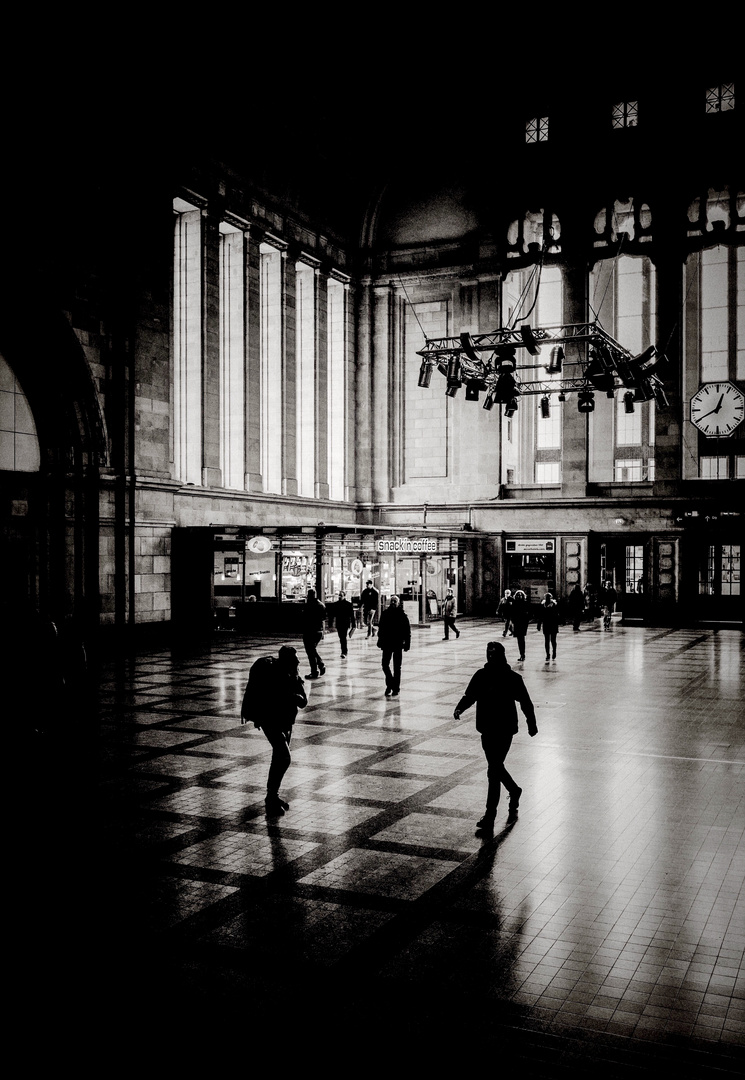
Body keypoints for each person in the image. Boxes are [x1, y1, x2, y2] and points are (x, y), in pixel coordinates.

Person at [453, 640, 537, 831]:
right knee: (496, 767)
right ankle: (514, 791)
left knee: (493, 770)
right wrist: (460, 707)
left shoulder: (512, 678)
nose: (491, 657)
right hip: (487, 729)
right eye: (488, 653)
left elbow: (525, 701)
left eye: (494, 653)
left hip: (505, 730)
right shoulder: (481, 676)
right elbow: (470, 696)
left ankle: (490, 816)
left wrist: (531, 723)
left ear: (501, 655)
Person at [241, 645, 307, 817]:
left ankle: (272, 797)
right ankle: (271, 799)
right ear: (285, 659)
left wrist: (295, 696)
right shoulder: (271, 673)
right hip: (269, 720)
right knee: (284, 757)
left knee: (278, 757)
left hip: (286, 721)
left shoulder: (293, 673)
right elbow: (268, 699)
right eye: (294, 658)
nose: (298, 660)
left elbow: (303, 700)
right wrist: (290, 697)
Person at [376, 594, 411, 696]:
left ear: (398, 603)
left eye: (395, 601)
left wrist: (407, 644)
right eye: (392, 601)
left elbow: (407, 631)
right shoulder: (385, 614)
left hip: (397, 644)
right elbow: (381, 628)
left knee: (397, 667)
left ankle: (394, 687)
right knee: (385, 664)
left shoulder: (402, 615)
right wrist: (380, 640)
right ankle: (391, 684)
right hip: (387, 643)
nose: (393, 603)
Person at [302, 588, 327, 678]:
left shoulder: (308, 605)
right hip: (318, 631)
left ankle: (315, 670)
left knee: (310, 652)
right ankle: (320, 665)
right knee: (312, 650)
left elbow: (304, 618)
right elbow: (324, 619)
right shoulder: (321, 605)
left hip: (310, 631)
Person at [536, 591, 560, 661]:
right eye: (547, 598)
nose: (548, 599)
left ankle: (554, 652)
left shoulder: (554, 605)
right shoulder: (543, 606)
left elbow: (558, 614)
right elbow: (540, 616)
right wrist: (539, 624)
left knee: (553, 640)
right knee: (547, 641)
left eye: (549, 598)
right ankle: (548, 654)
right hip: (546, 624)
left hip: (553, 624)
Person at [334, 590, 355, 659]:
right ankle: (344, 651)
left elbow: (352, 615)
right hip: (339, 623)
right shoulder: (336, 604)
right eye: (339, 595)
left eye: (341, 595)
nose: (339, 597)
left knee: (343, 637)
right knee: (341, 637)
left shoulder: (348, 604)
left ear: (344, 596)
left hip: (345, 623)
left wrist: (353, 625)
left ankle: (344, 651)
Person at [510, 589, 530, 661]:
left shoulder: (525, 603)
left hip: (523, 623)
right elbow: (512, 613)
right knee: (519, 639)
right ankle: (521, 654)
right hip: (517, 623)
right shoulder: (514, 603)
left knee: (521, 638)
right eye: (518, 595)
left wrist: (527, 619)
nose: (519, 596)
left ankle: (522, 654)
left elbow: (529, 613)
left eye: (521, 595)